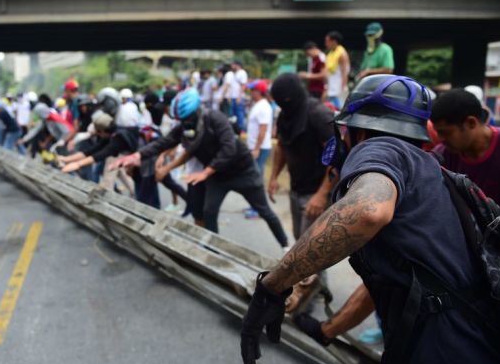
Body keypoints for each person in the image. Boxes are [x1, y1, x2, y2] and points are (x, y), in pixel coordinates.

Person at [240, 74, 500, 364]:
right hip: (479, 355)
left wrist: (272, 287)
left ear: (361, 130)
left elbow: (368, 210)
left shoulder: (379, 148)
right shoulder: (429, 171)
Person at [112, 88, 289, 249]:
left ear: (196, 111)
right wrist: (137, 156)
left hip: (242, 172)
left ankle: (285, 245)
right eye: (182, 121)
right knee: (209, 212)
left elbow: (229, 148)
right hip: (217, 176)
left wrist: (206, 172)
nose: (185, 124)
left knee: (264, 211)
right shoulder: (185, 126)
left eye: (188, 119)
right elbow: (163, 142)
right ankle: (214, 250)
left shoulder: (215, 118)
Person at [268, 73, 335, 243]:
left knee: (307, 245)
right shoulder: (285, 115)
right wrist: (274, 176)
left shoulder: (318, 114)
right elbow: (282, 146)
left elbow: (338, 155)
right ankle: (318, 270)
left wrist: (322, 194)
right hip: (296, 188)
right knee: (299, 237)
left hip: (317, 190)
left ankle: (316, 270)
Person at [430, 89, 500, 207]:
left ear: (471, 123)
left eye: (445, 132)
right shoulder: (441, 156)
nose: (440, 138)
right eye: (438, 133)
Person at [244, 80, 273, 219]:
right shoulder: (259, 105)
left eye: (252, 90)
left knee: (257, 178)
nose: (250, 92)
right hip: (256, 147)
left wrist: (256, 148)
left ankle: (258, 208)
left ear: (258, 91)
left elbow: (263, 129)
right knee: (254, 177)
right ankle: (254, 205)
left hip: (260, 148)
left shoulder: (263, 107)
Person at [324, 31, 350, 109]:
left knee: (338, 111)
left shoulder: (342, 54)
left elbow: (345, 72)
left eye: (327, 41)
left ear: (334, 41)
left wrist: (343, 90)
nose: (326, 43)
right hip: (331, 89)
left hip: (338, 90)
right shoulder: (330, 54)